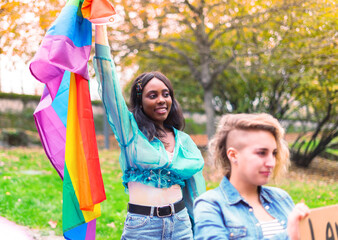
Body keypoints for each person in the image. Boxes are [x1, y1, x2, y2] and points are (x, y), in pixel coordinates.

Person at [93, 25, 206, 240]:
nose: (161, 99)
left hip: (181, 223)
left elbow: (197, 191)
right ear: (140, 102)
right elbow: (109, 84)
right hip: (143, 227)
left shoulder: (184, 140)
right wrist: (101, 25)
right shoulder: (130, 133)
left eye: (166, 94)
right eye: (152, 95)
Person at [193, 113, 310, 240]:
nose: (271, 163)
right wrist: (289, 234)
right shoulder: (210, 205)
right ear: (233, 155)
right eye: (261, 153)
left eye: (274, 153)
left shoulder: (282, 198)